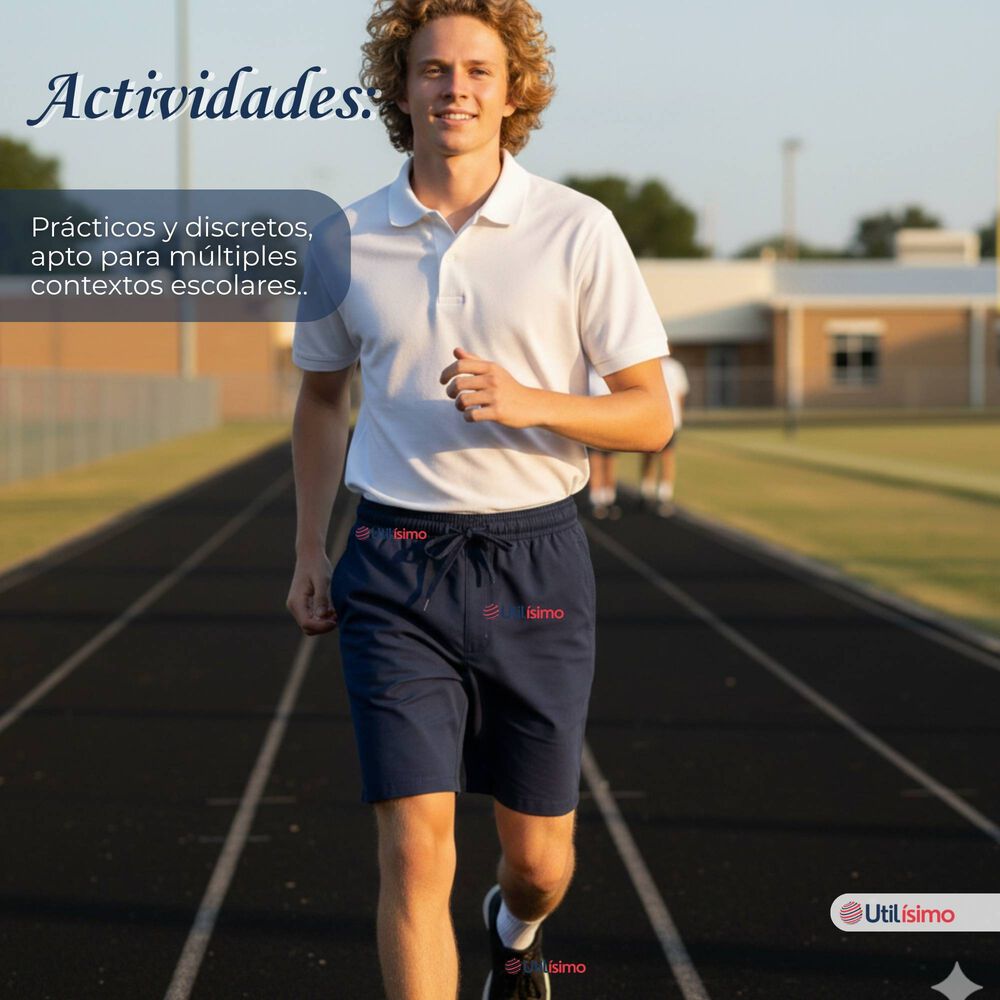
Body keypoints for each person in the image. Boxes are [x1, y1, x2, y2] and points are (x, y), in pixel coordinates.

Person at [285, 2, 672, 997]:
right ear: (400, 87)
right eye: (431, 69)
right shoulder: (344, 238)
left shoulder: (577, 230)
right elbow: (322, 399)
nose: (453, 86)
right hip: (393, 566)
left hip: (534, 565)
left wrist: (528, 400)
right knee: (414, 855)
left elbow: (651, 416)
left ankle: (518, 928)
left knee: (540, 860)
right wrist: (309, 548)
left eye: (476, 71)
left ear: (512, 93)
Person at [639, 355, 689, 516]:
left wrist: (679, 417)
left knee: (667, 457)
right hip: (649, 419)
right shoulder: (646, 365)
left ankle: (664, 496)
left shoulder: (674, 367)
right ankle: (646, 492)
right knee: (648, 456)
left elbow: (680, 393)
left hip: (670, 420)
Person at [585, 364, 622, 520]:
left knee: (610, 464)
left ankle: (609, 499)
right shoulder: (589, 376)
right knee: (596, 464)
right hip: (593, 427)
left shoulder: (612, 375)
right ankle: (596, 500)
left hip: (610, 427)